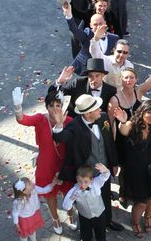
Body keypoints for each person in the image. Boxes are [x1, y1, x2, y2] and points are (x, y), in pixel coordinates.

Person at [51, 94, 123, 232]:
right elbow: (60, 137)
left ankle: (107, 222)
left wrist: (113, 163)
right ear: (88, 113)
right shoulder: (74, 126)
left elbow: (108, 143)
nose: (100, 109)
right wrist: (59, 124)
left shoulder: (103, 117)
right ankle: (86, 231)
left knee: (105, 197)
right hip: (85, 175)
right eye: (96, 108)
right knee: (84, 203)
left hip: (103, 170)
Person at [13, 87, 75, 234]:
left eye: (58, 105)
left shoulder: (70, 121)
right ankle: (55, 219)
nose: (55, 108)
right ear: (46, 107)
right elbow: (22, 119)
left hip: (64, 166)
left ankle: (71, 214)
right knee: (51, 196)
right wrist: (17, 107)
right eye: (51, 105)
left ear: (62, 106)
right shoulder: (41, 119)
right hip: (46, 166)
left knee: (68, 193)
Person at [114, 100, 151, 237]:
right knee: (141, 202)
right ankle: (135, 222)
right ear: (142, 111)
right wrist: (123, 120)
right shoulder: (132, 124)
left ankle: (148, 217)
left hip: (150, 168)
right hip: (134, 171)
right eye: (149, 112)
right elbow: (123, 130)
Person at [62, 164, 110, 241]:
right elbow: (65, 206)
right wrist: (71, 199)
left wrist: (105, 171)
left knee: (101, 235)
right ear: (77, 179)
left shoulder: (96, 183)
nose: (83, 184)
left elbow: (105, 176)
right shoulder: (74, 190)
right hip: (85, 217)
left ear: (91, 179)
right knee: (86, 236)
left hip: (99, 215)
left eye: (86, 182)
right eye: (80, 181)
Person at [12, 177, 48, 241]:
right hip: (24, 220)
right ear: (24, 191)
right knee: (24, 235)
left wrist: (52, 185)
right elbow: (15, 213)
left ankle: (33, 239)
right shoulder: (19, 202)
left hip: (32, 215)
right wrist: (16, 223)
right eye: (29, 183)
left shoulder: (33, 190)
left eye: (30, 181)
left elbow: (43, 190)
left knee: (32, 230)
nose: (32, 183)